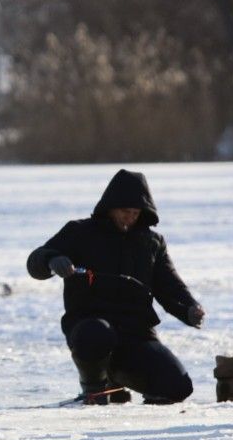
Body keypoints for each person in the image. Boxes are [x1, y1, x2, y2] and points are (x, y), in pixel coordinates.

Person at [26, 169, 205, 405]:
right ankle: (94, 388)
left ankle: (117, 378)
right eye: (124, 212)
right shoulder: (79, 232)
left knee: (177, 387)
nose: (129, 218)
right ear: (110, 208)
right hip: (90, 330)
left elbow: (169, 284)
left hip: (136, 335)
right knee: (96, 333)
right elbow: (35, 261)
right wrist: (51, 259)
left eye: (135, 213)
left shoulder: (152, 242)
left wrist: (189, 308)